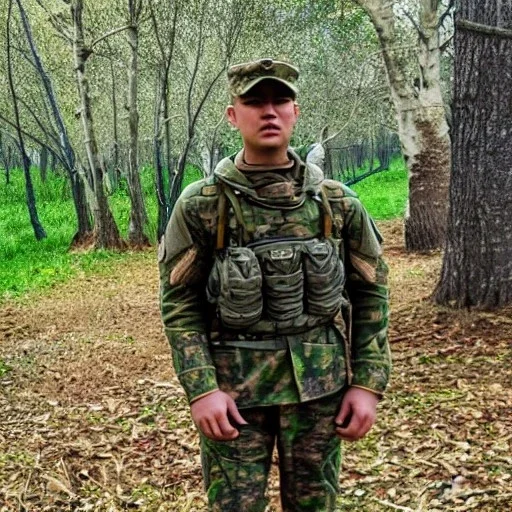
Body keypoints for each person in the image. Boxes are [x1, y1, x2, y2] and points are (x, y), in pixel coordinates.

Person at [159, 57, 391, 512]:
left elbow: (371, 293)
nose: (269, 111)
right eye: (254, 102)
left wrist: (367, 383)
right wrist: (202, 388)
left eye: (280, 100)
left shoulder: (336, 203)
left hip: (320, 389)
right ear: (233, 115)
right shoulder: (202, 205)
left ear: (295, 112)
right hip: (234, 396)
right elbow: (179, 302)